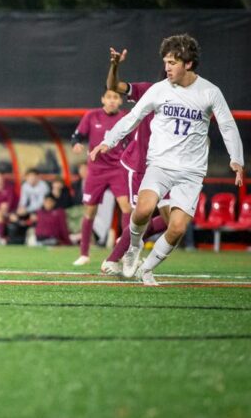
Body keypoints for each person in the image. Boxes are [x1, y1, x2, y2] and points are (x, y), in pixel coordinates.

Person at [91, 34, 244, 285]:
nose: (167, 67)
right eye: (166, 62)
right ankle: (132, 250)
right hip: (159, 165)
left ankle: (147, 269)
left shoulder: (210, 92)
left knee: (177, 229)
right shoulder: (158, 89)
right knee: (142, 211)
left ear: (188, 64)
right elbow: (133, 117)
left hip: (191, 172)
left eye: (172, 62)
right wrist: (109, 141)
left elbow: (227, 125)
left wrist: (236, 159)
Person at [100, 46, 170, 276]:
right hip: (139, 165)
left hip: (169, 166)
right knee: (139, 215)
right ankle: (114, 258)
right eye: (169, 63)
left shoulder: (192, 100)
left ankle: (130, 242)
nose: (171, 67)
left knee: (176, 219)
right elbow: (114, 85)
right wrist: (115, 64)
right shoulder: (150, 91)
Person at [70, 89, 132, 266]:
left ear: (120, 101)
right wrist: (76, 144)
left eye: (116, 98)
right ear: (102, 99)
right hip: (96, 170)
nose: (112, 101)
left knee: (126, 207)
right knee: (89, 211)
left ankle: (125, 248)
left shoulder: (125, 117)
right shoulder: (91, 116)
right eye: (109, 97)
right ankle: (84, 253)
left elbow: (133, 140)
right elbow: (77, 136)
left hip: (118, 168)